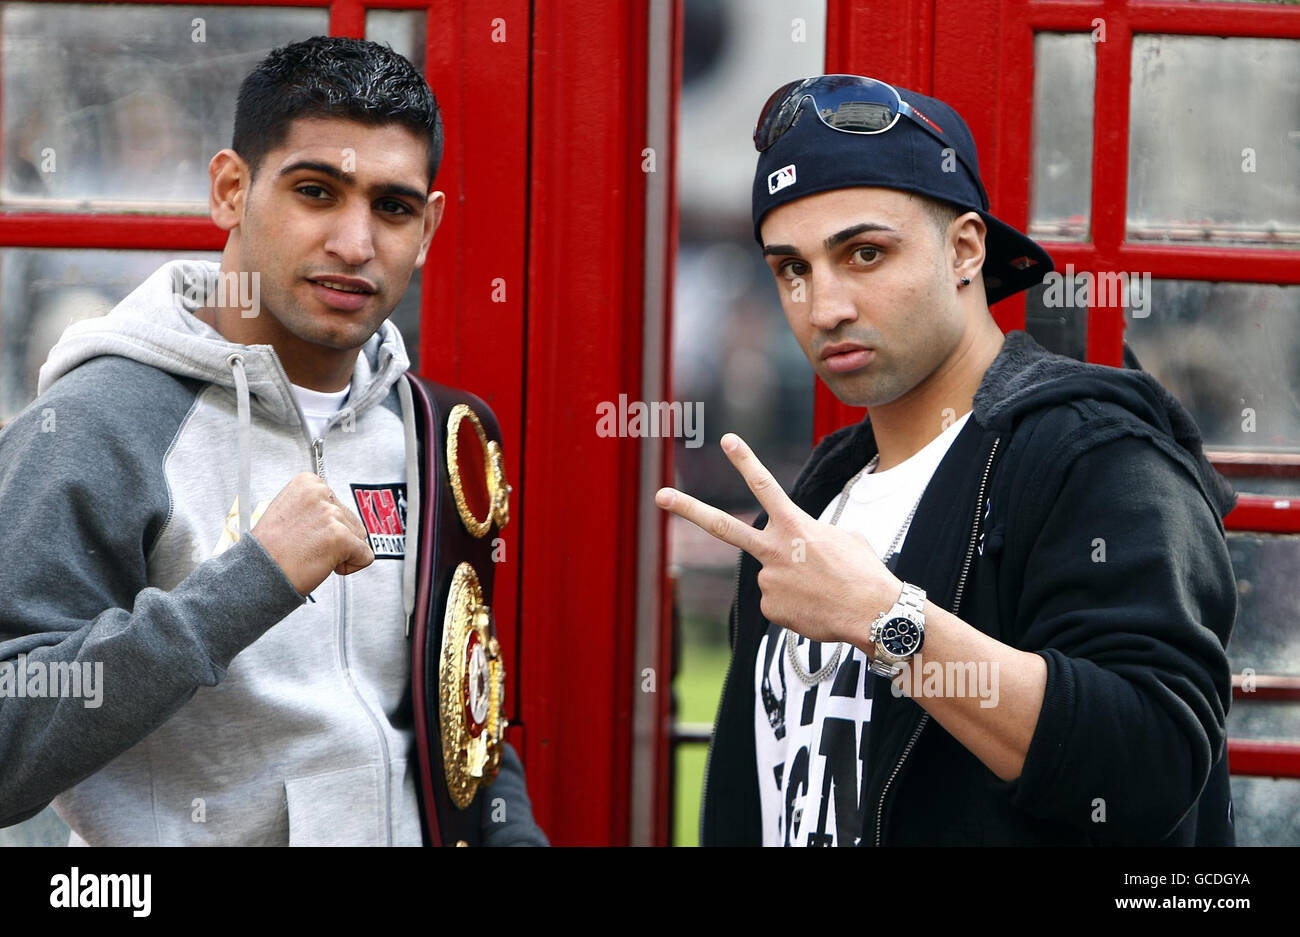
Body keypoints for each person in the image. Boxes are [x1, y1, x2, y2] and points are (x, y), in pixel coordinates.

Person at [656, 75, 1238, 846]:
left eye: (864, 253)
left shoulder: (1094, 455)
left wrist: (886, 619)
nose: (823, 305)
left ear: (966, 248)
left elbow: (1149, 763)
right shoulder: (809, 505)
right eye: (791, 268)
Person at [0, 36, 546, 846]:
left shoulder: (438, 432)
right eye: (317, 192)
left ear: (427, 228)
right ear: (230, 189)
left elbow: (461, 720)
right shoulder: (98, 422)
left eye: (392, 207)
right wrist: (245, 585)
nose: (356, 244)